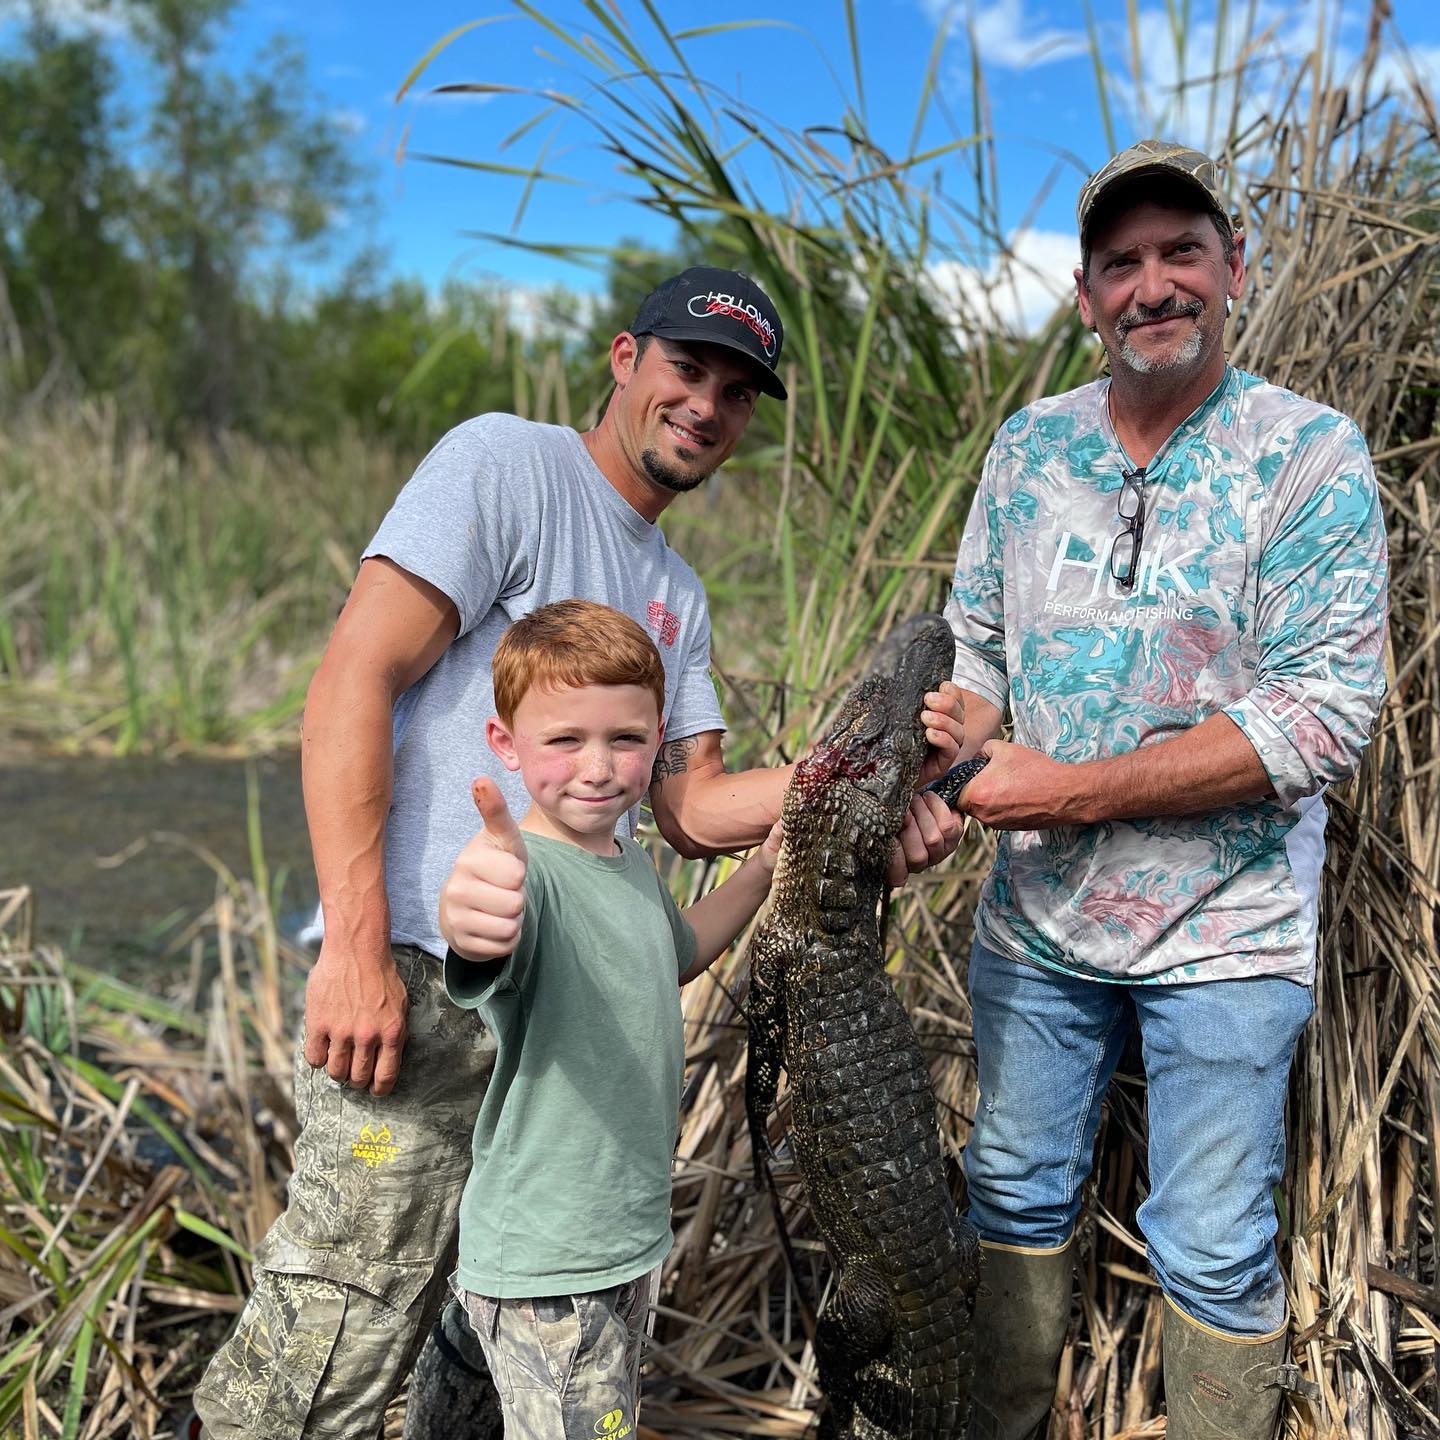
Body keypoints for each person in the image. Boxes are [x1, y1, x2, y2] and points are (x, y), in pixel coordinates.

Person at [194, 264, 965, 1439]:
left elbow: (698, 811)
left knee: (480, 1327)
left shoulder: (676, 595)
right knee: (337, 1326)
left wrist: (870, 783)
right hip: (424, 979)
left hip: (568, 1033)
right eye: (686, 369)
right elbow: (357, 672)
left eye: (738, 391)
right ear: (624, 359)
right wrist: (352, 946)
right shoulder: (507, 465)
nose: (707, 404)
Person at [943, 140, 1388, 1439]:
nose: (1154, 285)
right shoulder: (1029, 452)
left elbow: (1319, 718)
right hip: (1036, 934)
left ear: (1232, 269)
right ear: (1086, 296)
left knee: (1210, 1246)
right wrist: (947, 762)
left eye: (1180, 252)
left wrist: (1066, 791)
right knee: (1011, 1198)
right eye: (1122, 263)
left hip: (1230, 946)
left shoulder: (1308, 456)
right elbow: (977, 651)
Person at [436, 599, 781, 1440]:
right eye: (563, 741)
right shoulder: (526, 876)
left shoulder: (624, 859)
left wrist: (765, 870)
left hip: (621, 1235)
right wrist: (475, 917)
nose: (597, 767)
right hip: (551, 1257)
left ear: (658, 737)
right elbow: (487, 940)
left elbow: (674, 952)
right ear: (506, 746)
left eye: (625, 740)